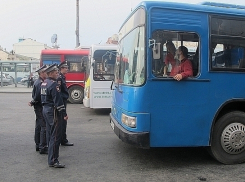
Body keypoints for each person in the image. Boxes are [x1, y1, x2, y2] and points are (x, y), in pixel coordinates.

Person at [41, 64, 68, 168]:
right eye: (56, 72)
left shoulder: (44, 83)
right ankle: (53, 160)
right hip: (53, 111)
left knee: (50, 134)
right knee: (55, 136)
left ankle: (51, 156)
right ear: (51, 73)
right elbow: (58, 101)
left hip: (46, 110)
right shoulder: (53, 84)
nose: (58, 74)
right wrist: (64, 114)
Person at [28, 65, 48, 154]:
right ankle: (42, 147)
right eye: (45, 72)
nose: (46, 74)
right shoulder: (40, 83)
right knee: (44, 126)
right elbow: (38, 96)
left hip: (37, 106)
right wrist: (34, 101)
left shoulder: (38, 81)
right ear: (41, 73)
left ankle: (38, 144)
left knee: (39, 126)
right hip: (40, 106)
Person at [57, 61, 74, 146]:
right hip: (62, 101)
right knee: (63, 121)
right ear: (61, 69)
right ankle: (63, 140)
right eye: (66, 68)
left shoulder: (62, 77)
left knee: (62, 121)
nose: (67, 69)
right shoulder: (59, 78)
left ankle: (62, 139)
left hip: (63, 101)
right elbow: (59, 92)